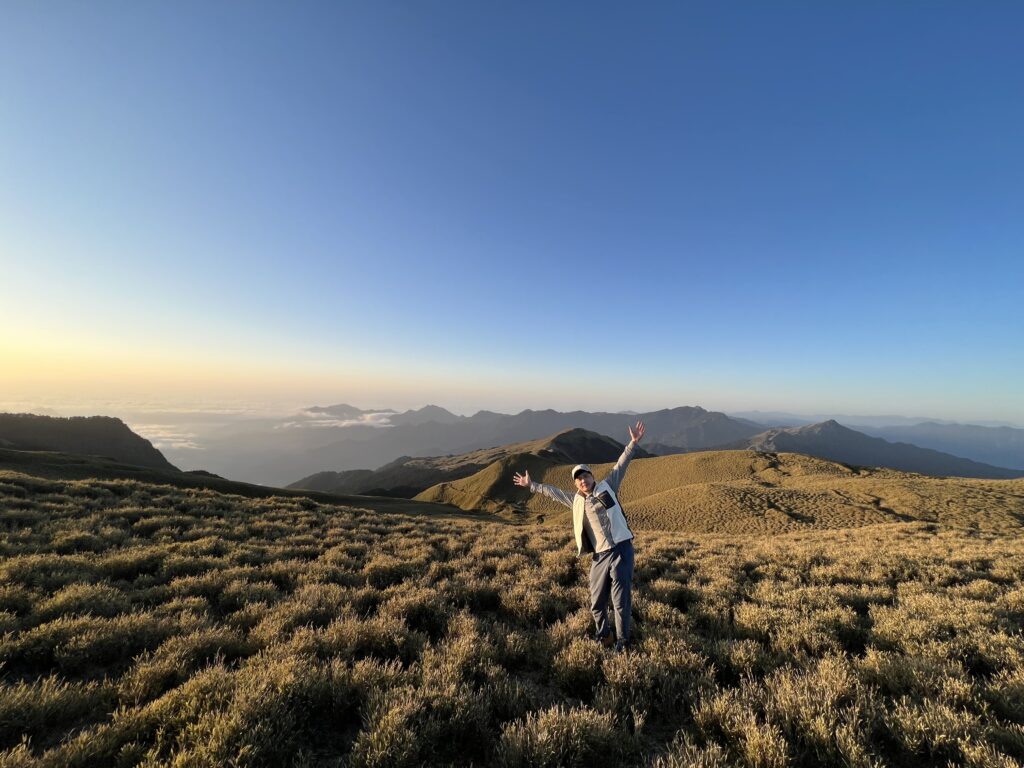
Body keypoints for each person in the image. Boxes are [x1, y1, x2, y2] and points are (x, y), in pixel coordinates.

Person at [513, 420, 645, 653]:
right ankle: (604, 636)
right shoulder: (575, 500)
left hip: (622, 550)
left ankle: (623, 643)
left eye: (586, 475)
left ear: (592, 477)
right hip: (600, 556)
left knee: (620, 602)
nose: (583, 480)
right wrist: (531, 485)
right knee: (596, 602)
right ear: (576, 483)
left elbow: (621, 465)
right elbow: (553, 493)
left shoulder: (608, 486)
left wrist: (633, 443)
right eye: (578, 478)